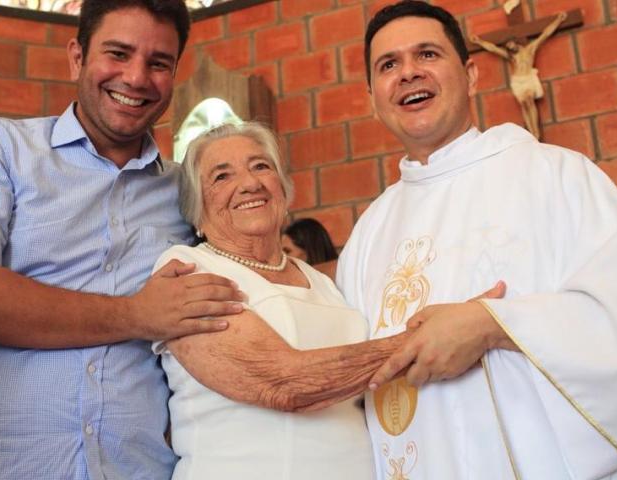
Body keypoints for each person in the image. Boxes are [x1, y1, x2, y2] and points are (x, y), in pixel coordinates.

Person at [336, 1, 617, 479]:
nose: (408, 73)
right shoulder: (368, 236)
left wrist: (493, 325)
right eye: (388, 64)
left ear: (470, 75)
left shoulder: (558, 177)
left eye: (427, 54)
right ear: (372, 98)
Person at [0, 1, 244, 479]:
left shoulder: (187, 191)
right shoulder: (0, 147)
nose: (136, 78)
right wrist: (137, 314)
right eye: (118, 53)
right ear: (77, 57)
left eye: (158, 63)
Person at [150, 122, 503, 479]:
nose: (250, 183)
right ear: (196, 208)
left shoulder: (322, 282)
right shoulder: (188, 269)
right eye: (222, 176)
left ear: (284, 189)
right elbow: (282, 383)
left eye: (261, 166)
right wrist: (434, 337)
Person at [469, 11, 567, 138]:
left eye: (511, 45)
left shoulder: (529, 50)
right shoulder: (512, 57)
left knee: (529, 100)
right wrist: (479, 42)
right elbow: (494, 49)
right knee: (524, 104)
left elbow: (545, 34)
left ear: (515, 43)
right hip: (518, 81)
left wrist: (558, 20)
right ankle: (531, 132)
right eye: (508, 47)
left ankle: (536, 131)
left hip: (528, 78)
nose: (511, 48)